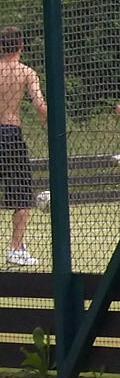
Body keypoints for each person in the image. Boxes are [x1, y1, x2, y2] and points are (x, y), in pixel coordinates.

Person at [0, 26, 47, 268]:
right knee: (22, 195)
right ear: (21, 45)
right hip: (10, 133)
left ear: (1, 46)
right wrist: (49, 122)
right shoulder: (26, 72)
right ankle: (15, 248)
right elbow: (39, 105)